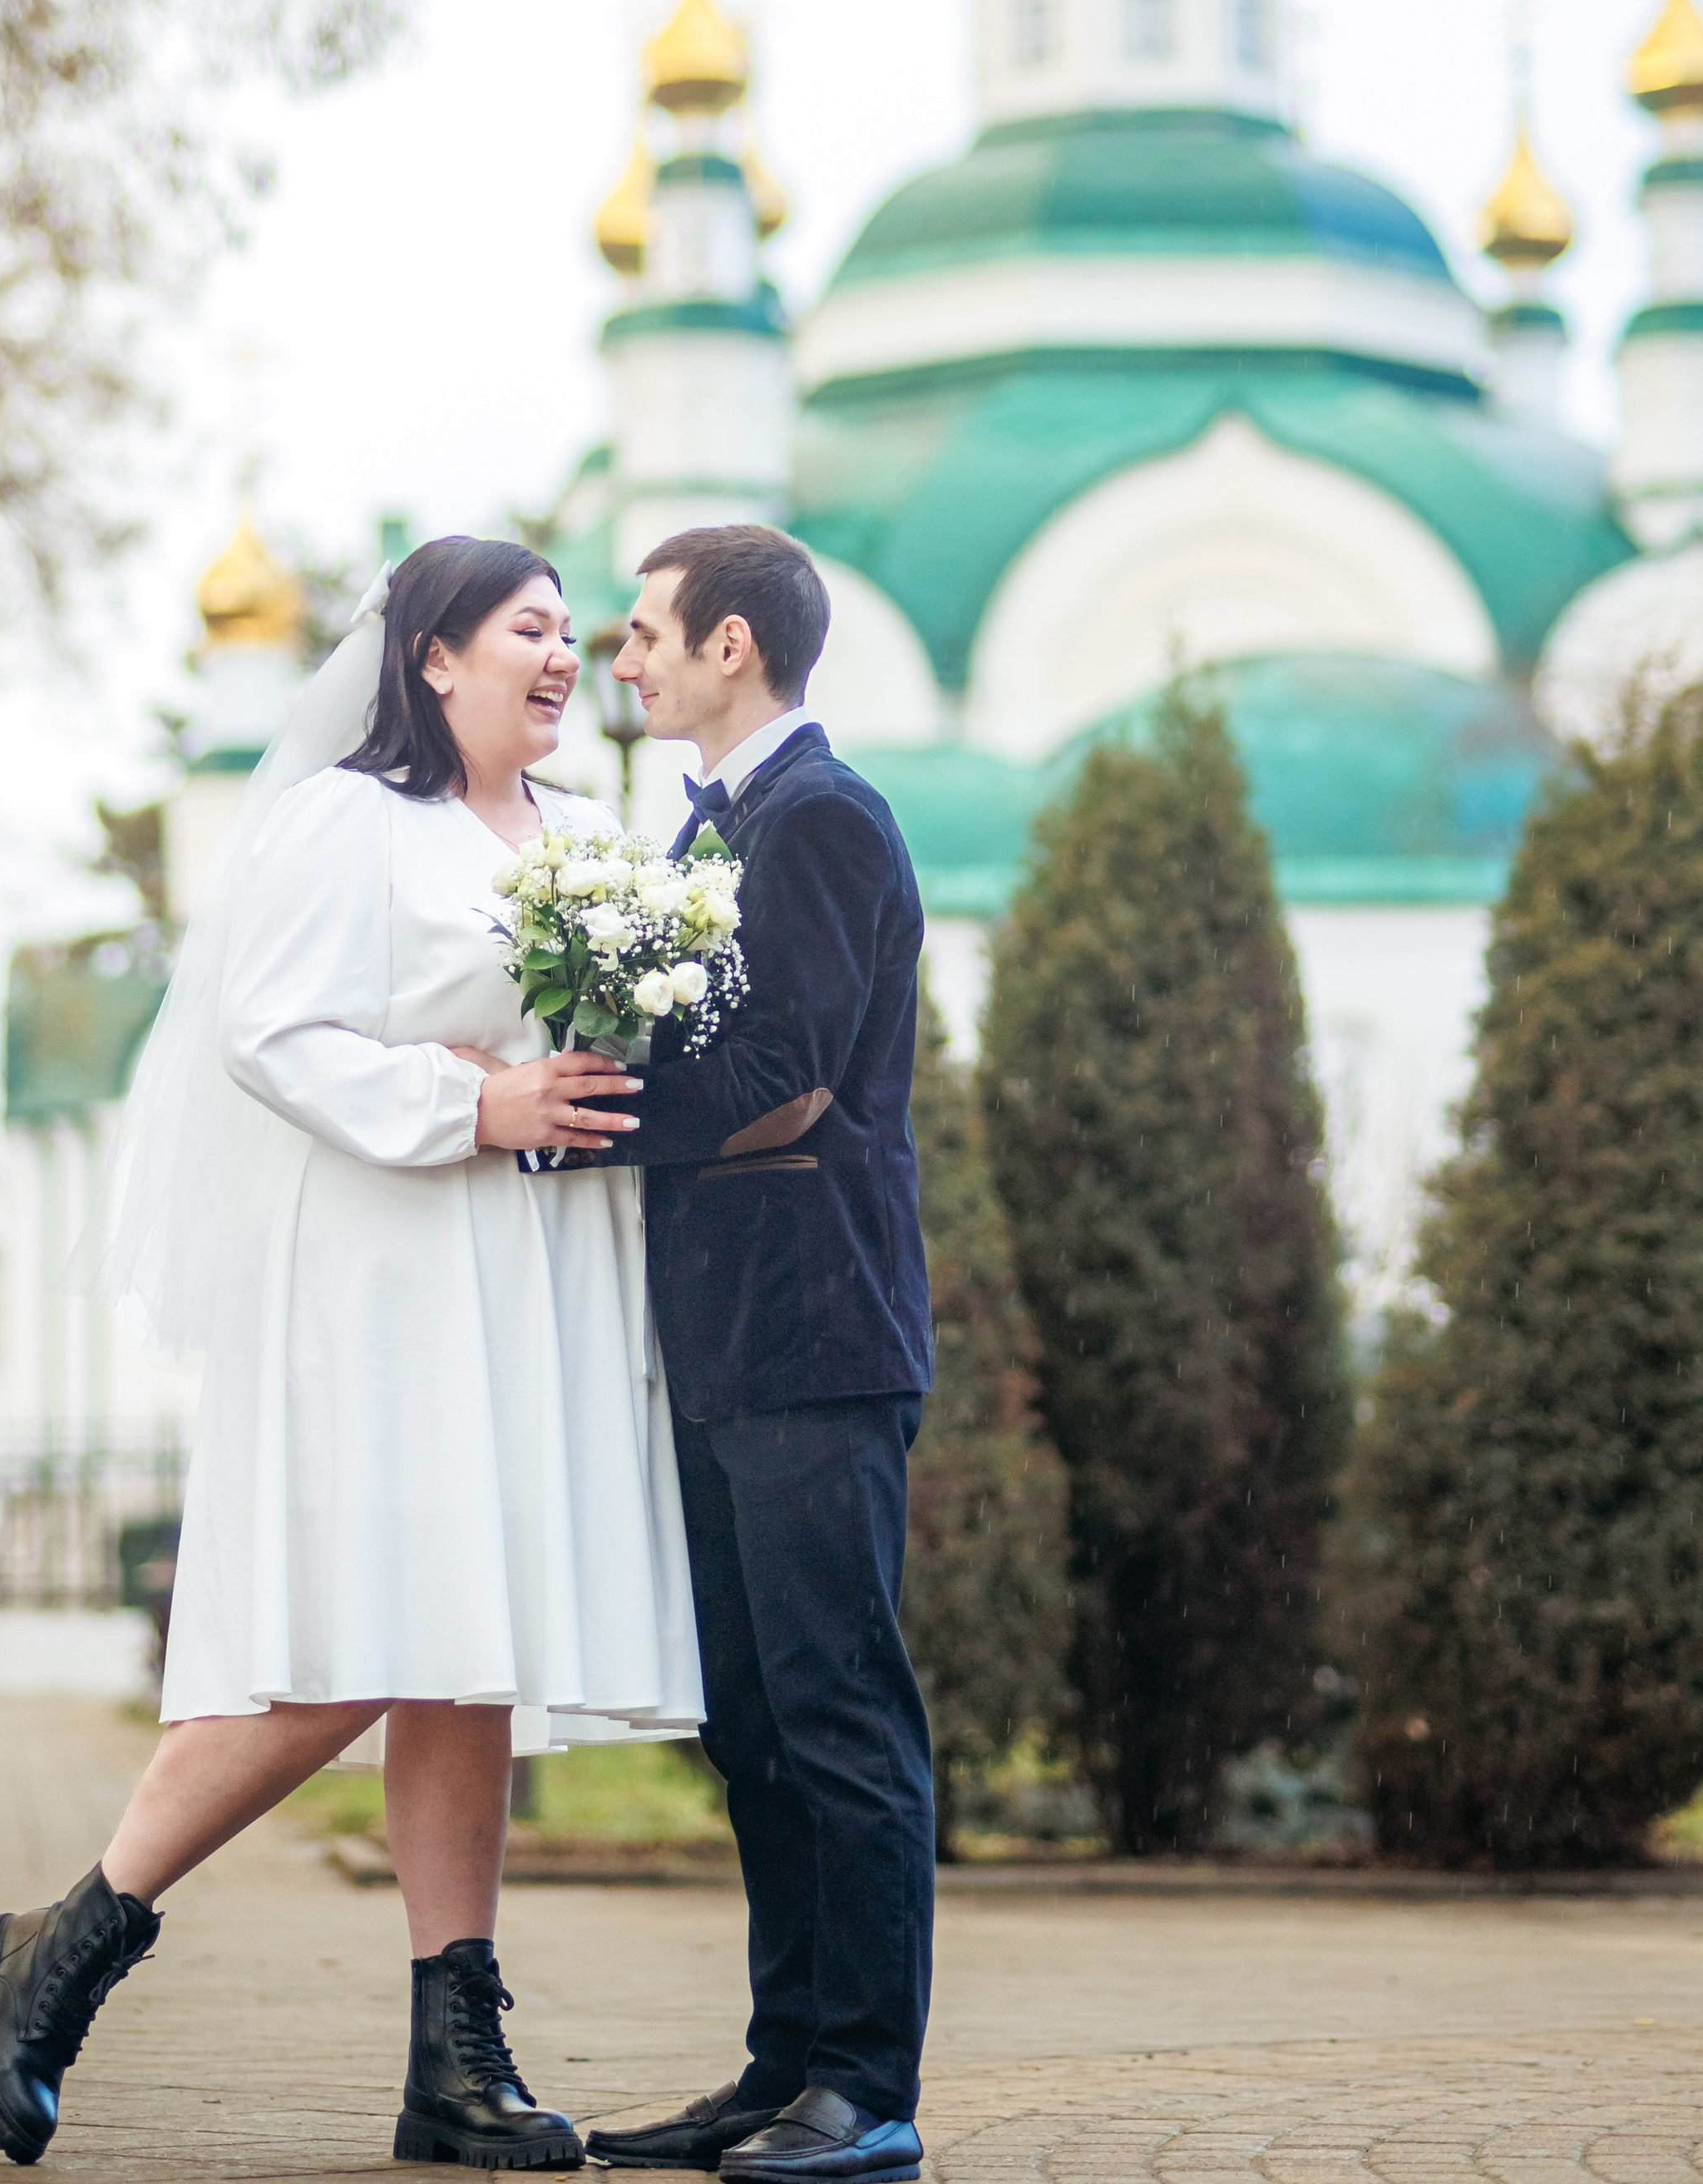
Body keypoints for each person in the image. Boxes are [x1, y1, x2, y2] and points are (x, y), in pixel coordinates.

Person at [0, 537, 701, 2170]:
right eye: (528, 629)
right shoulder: (343, 822)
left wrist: (583, 1063)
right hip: (380, 1267)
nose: (564, 658)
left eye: (572, 635)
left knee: (463, 1649)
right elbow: (268, 1032)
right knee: (355, 1643)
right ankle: (66, 1944)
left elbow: (624, 1037)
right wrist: (466, 1099)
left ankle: (455, 2061)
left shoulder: (590, 836)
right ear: (430, 657)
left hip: (528, 1271)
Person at [580, 525, 936, 2184]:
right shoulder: (709, 827)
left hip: (817, 1332)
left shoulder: (823, 818)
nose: (622, 657)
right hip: (724, 1342)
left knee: (837, 1713)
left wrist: (563, 1131)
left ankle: (864, 2090)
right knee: (752, 1724)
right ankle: (776, 2069)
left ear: (732, 645)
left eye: (645, 631)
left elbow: (788, 1074)